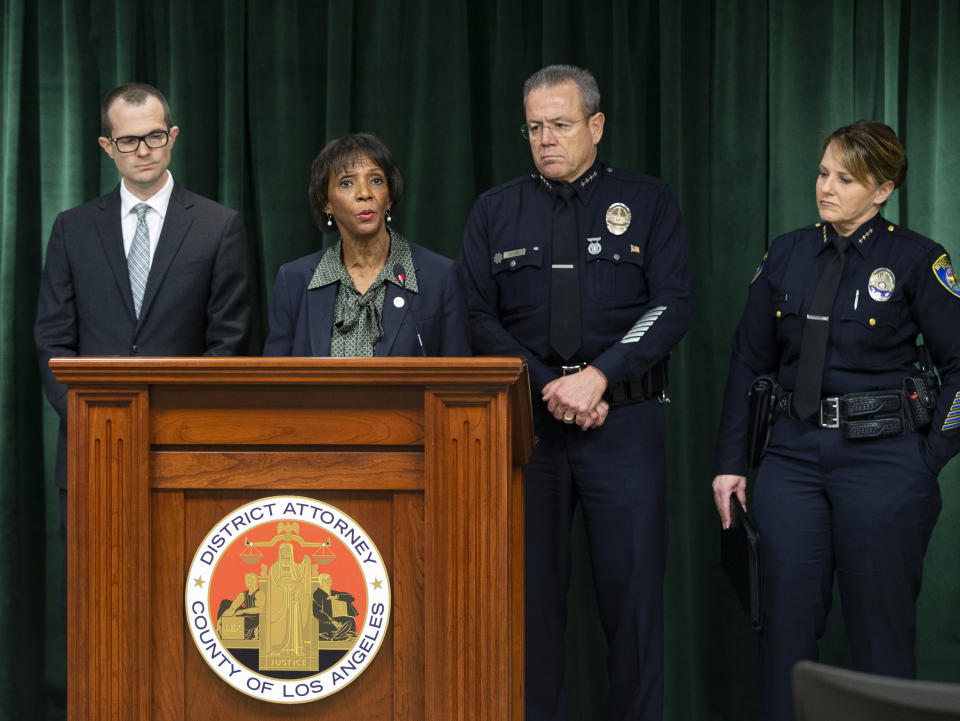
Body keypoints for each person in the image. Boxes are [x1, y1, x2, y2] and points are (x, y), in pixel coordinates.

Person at [459, 65, 692, 721]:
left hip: (624, 425)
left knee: (635, 605)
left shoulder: (647, 201)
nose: (545, 139)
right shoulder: (495, 209)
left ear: (595, 124)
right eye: (534, 127)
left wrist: (600, 375)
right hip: (530, 431)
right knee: (528, 608)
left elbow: (672, 305)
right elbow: (478, 316)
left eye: (559, 125)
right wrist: (548, 384)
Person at [712, 120, 960, 721]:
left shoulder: (917, 259)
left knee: (882, 637)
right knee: (785, 636)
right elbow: (749, 360)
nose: (826, 188)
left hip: (883, 461)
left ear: (883, 189)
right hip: (792, 461)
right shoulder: (787, 253)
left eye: (845, 179)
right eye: (824, 172)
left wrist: (925, 459)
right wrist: (730, 466)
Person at [34, 82, 252, 540]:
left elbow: (228, 342)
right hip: (90, 446)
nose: (143, 151)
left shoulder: (219, 226)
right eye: (128, 141)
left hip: (186, 451)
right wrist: (93, 415)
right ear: (107, 146)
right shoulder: (71, 229)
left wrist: (173, 421)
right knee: (93, 598)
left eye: (154, 136)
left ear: (172, 136)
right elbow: (52, 342)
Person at [263, 133, 469, 357]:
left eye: (376, 180)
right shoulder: (294, 281)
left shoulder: (440, 277)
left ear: (388, 197)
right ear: (326, 203)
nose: (364, 194)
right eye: (347, 183)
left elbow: (459, 382)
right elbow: (275, 382)